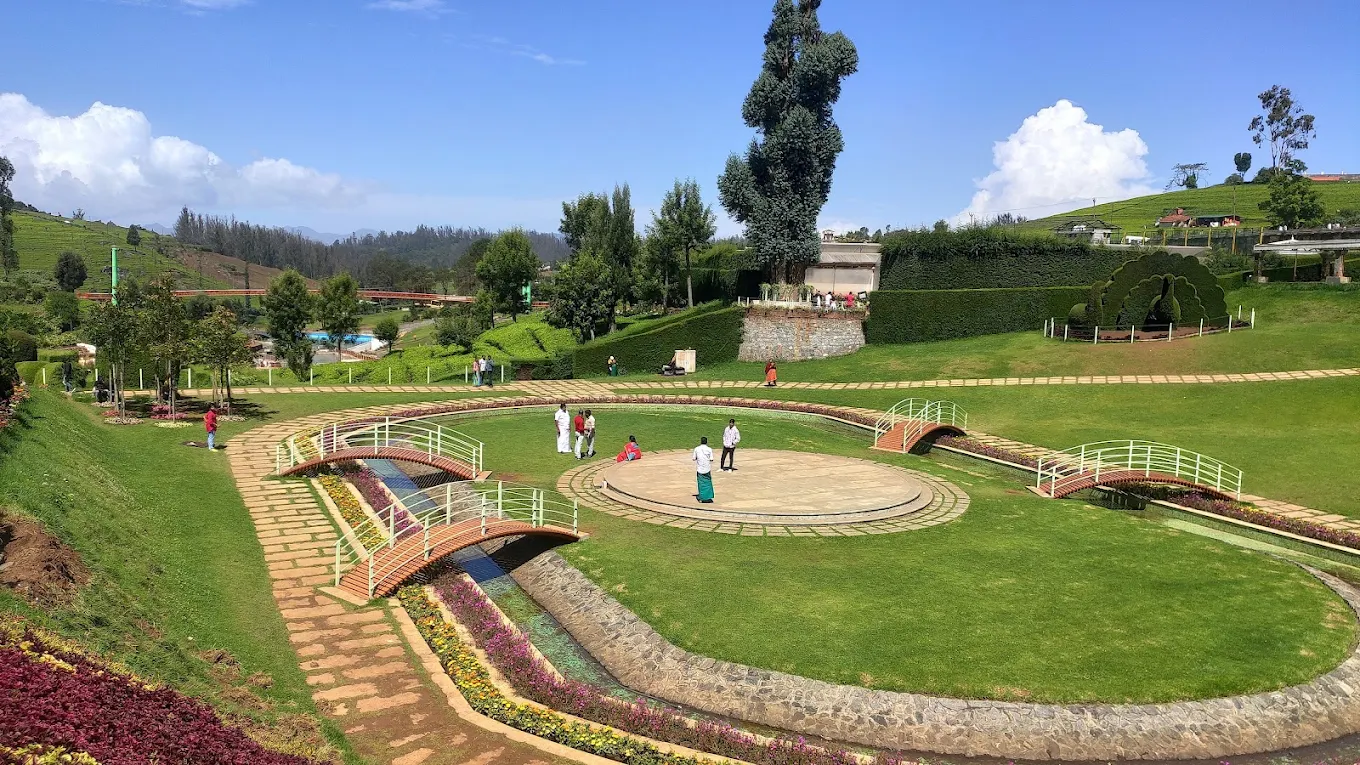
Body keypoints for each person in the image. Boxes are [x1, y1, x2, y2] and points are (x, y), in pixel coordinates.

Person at [693, 436, 715, 503]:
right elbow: (711, 459)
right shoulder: (709, 449)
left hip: (700, 469)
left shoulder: (696, 449)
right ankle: (708, 496)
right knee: (708, 483)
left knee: (701, 484)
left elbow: (694, 458)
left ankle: (702, 498)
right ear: (706, 442)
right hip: (707, 469)